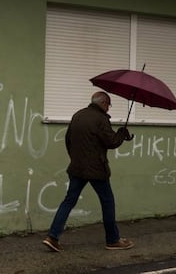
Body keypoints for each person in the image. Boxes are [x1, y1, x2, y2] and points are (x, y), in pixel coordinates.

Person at [42, 91, 134, 252]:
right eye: (108, 105)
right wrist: (121, 133)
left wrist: (75, 159)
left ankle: (52, 237)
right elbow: (111, 142)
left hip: (77, 168)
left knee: (68, 201)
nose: (108, 108)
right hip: (97, 169)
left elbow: (68, 140)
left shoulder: (78, 115)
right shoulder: (101, 119)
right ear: (104, 103)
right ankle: (112, 240)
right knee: (107, 202)